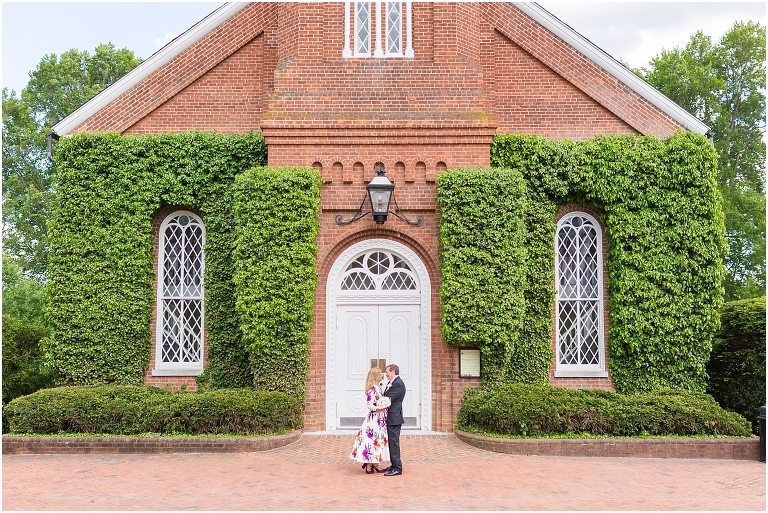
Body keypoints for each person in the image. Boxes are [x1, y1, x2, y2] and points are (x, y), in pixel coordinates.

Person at [349, 367, 390, 474]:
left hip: (380, 418)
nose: (382, 375)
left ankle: (373, 463)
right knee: (372, 439)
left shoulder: (379, 388)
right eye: (380, 374)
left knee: (378, 440)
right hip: (374, 419)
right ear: (375, 376)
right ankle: (370, 464)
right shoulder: (372, 390)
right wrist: (379, 408)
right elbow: (369, 405)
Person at [381, 364, 405, 476]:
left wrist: (376, 404)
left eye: (387, 372)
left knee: (394, 442)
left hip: (394, 417)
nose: (386, 375)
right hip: (391, 416)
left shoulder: (398, 384)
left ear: (393, 372)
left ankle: (398, 468)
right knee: (391, 442)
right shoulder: (393, 382)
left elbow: (388, 399)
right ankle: (394, 465)